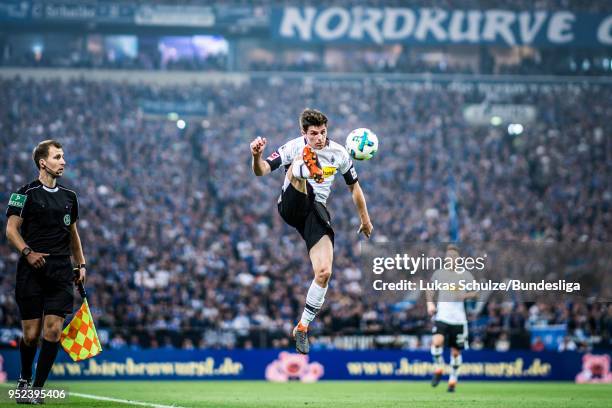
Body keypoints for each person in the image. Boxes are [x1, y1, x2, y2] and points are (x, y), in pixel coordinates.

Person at [250, 108, 373, 354]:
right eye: (314, 133)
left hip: (315, 211)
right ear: (303, 133)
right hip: (292, 203)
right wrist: (256, 156)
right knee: (299, 162)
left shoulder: (339, 153)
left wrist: (365, 220)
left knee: (324, 272)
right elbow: (262, 170)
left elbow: (355, 189)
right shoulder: (294, 146)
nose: (319, 138)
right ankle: (308, 169)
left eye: (323, 132)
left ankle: (303, 327)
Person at [5, 140, 86, 403]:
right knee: (31, 336)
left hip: (61, 270)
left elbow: (73, 233)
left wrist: (81, 264)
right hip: (31, 270)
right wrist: (28, 252)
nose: (63, 161)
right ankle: (24, 381)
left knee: (52, 332)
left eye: (63, 157)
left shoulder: (70, 197)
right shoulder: (23, 193)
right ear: (43, 162)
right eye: (58, 157)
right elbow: (11, 230)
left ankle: (37, 389)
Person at [426, 244, 477, 392]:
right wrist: (430, 304)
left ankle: (453, 380)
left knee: (455, 352)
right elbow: (430, 290)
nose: (451, 259)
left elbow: (476, 292)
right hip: (442, 316)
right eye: (449, 256)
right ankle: (438, 368)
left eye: (454, 256)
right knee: (437, 342)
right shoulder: (439, 274)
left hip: (459, 320)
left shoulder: (465, 275)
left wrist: (465, 295)